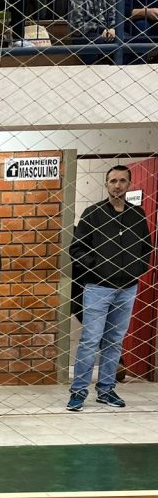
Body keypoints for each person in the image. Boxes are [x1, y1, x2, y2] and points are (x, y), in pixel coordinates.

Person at [67, 165, 151, 411]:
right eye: (113, 180)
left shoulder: (137, 215)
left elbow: (146, 248)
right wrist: (97, 268)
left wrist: (135, 270)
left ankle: (106, 390)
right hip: (98, 288)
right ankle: (78, 392)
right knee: (90, 340)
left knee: (115, 340)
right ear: (106, 184)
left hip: (127, 288)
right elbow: (76, 248)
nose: (117, 185)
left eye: (122, 180)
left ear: (129, 184)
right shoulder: (92, 214)